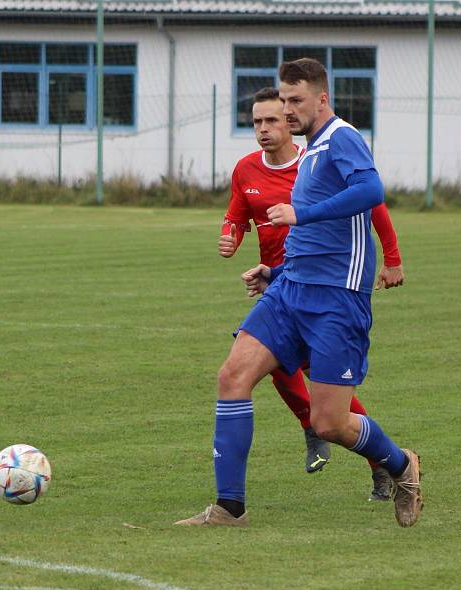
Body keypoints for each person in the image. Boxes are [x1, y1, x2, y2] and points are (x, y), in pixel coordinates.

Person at [176, 58, 422, 528]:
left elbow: (371, 189)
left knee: (331, 423)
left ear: (321, 98)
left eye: (295, 101)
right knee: (233, 377)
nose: (287, 110)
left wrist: (303, 217)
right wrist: (274, 270)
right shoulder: (310, 150)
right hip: (291, 289)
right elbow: (314, 237)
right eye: (282, 101)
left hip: (336, 299)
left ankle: (400, 465)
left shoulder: (341, 138)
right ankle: (230, 508)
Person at [217, 87, 404, 501]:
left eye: (274, 119)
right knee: (244, 373)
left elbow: (373, 202)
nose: (265, 128)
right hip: (283, 289)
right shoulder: (246, 170)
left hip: (329, 293)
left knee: (333, 411)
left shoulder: (319, 160)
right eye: (257, 122)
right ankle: (232, 505)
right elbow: (235, 214)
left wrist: (392, 257)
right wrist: (231, 235)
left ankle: (384, 463)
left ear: (291, 122)